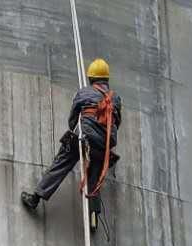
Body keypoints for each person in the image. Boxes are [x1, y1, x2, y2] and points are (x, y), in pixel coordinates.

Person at [21, 59, 121, 232]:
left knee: (62, 161)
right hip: (103, 147)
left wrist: (79, 129)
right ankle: (93, 218)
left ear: (91, 78)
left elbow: (73, 119)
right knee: (94, 177)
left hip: (83, 138)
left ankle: (36, 198)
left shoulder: (83, 93)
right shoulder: (115, 98)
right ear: (106, 79)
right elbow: (116, 122)